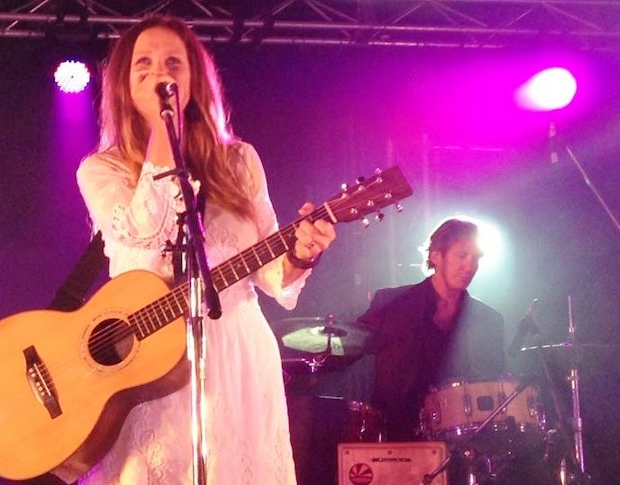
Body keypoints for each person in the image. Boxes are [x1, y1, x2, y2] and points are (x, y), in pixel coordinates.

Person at [75, 14, 336, 485]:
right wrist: (162, 130)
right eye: (145, 65)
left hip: (236, 351)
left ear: (195, 78)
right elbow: (145, 238)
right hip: (149, 357)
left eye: (174, 63)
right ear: (123, 85)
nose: (161, 74)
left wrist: (301, 252)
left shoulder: (239, 161)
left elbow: (273, 275)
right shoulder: (101, 170)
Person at [357, 218, 506, 443]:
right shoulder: (392, 303)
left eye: (475, 259)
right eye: (462, 256)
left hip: (464, 444)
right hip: (397, 437)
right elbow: (350, 344)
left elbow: (494, 386)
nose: (470, 266)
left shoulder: (489, 320)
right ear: (436, 256)